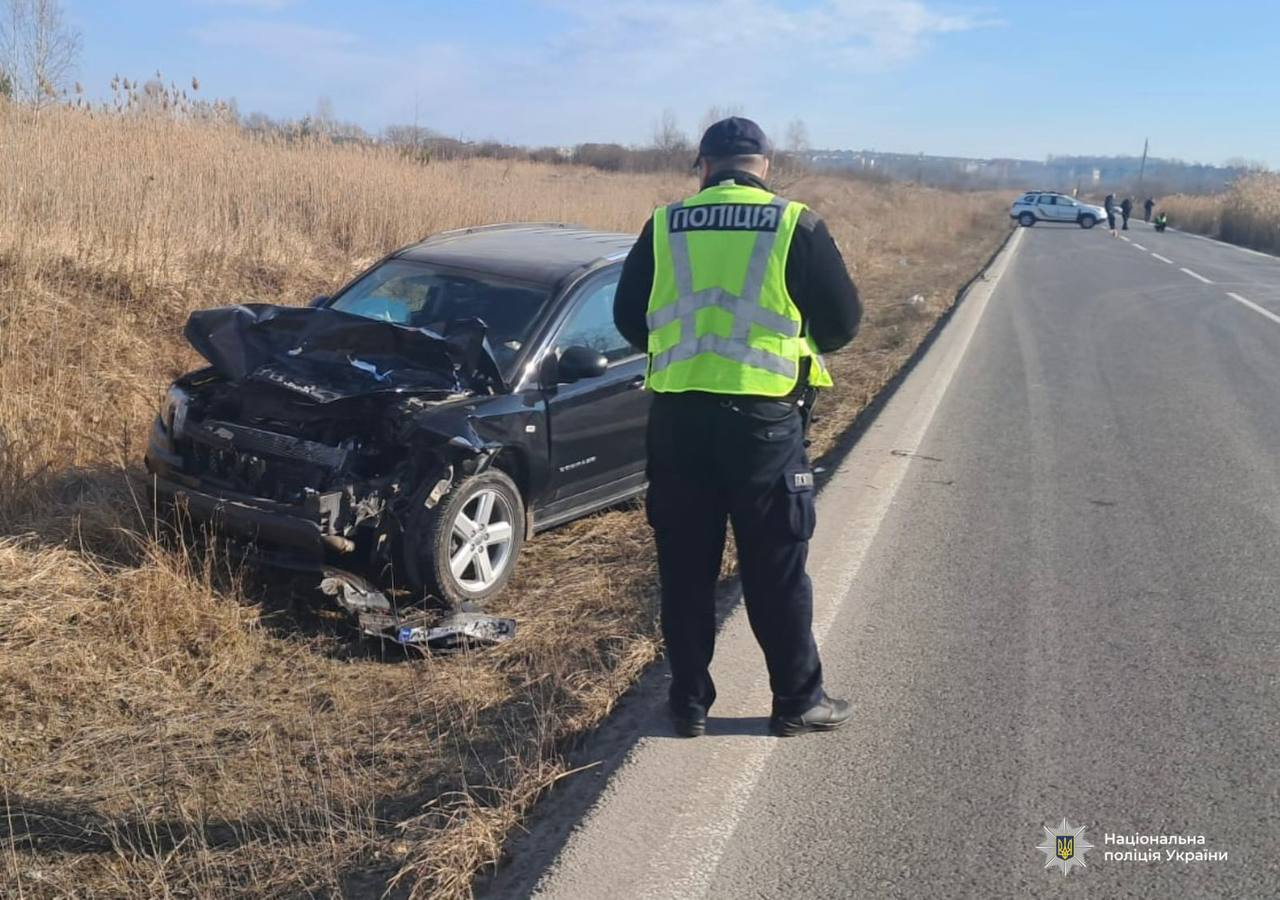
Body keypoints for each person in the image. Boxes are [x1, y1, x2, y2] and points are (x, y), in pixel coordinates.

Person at [613, 117, 861, 738]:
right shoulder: (794, 223)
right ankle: (798, 701)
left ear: (703, 164)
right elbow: (842, 324)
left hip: (678, 422)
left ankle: (689, 703)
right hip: (763, 425)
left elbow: (628, 317)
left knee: (686, 570)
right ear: (765, 166)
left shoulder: (665, 224)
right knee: (775, 567)